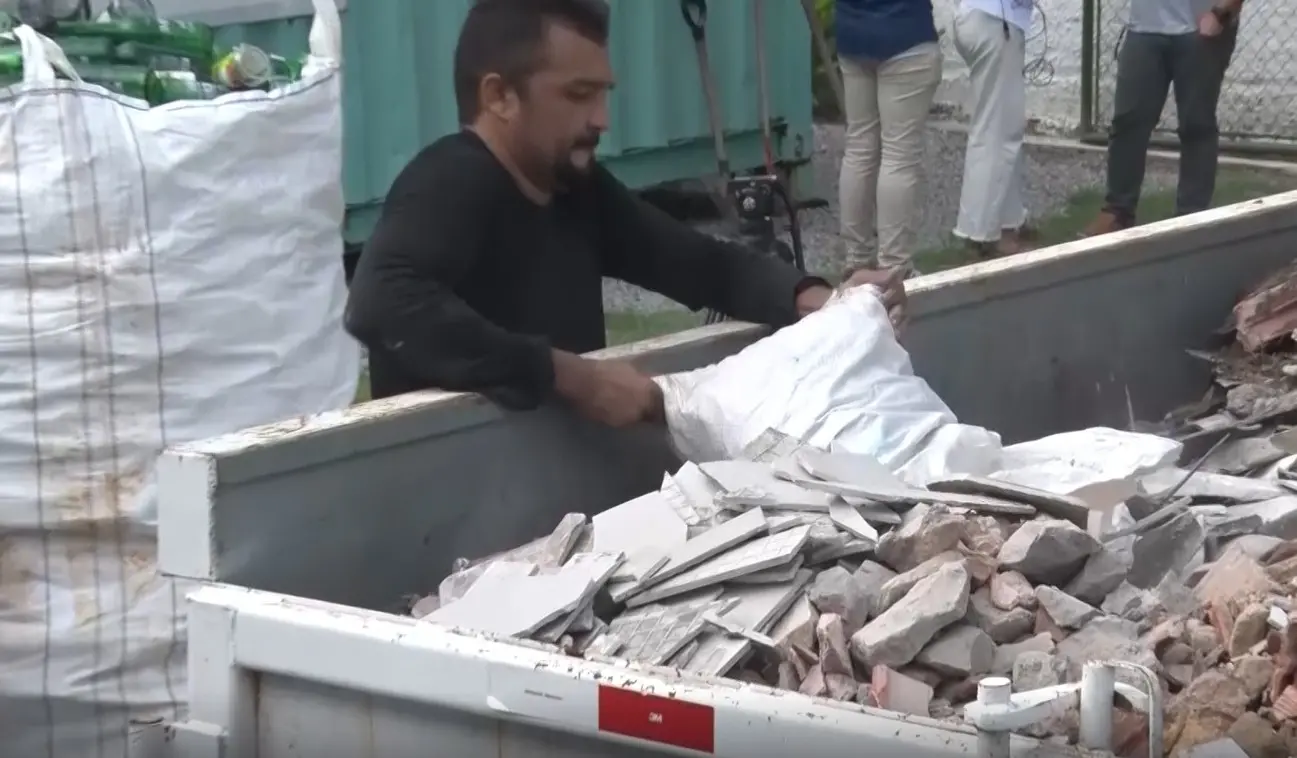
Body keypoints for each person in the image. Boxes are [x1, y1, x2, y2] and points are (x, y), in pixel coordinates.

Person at [345, 0, 906, 428]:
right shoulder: (448, 181)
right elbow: (382, 303)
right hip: (444, 498)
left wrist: (823, 300)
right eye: (579, 94)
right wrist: (572, 377)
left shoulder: (575, 190)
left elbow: (699, 264)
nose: (603, 118)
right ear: (499, 97)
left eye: (605, 94)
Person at [1081, 0, 1243, 237]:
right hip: (1144, 28)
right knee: (1128, 121)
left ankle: (1191, 216)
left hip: (1202, 26)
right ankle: (1118, 211)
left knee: (1196, 125)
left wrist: (1221, 13)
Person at [834, 0, 943, 277]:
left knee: (859, 148)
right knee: (899, 155)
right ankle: (894, 265)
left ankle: (857, 259)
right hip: (906, 33)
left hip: (852, 33)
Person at [951, 0, 1037, 258]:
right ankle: (981, 231)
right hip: (995, 21)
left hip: (983, 18)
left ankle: (1008, 222)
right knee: (997, 133)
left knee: (1003, 127)